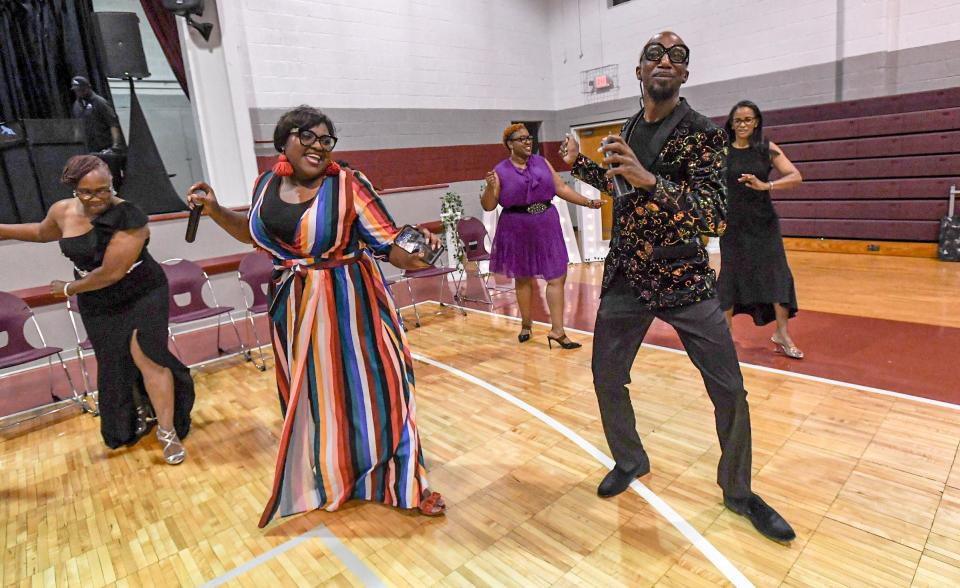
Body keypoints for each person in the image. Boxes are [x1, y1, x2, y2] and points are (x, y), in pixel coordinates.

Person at [560, 32, 795, 543]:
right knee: (606, 375)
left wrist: (649, 180)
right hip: (627, 276)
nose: (665, 61)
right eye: (654, 55)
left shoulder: (704, 135)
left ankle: (738, 492)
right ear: (639, 71)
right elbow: (620, 183)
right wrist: (580, 163)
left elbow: (713, 215)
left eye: (677, 57)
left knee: (729, 390)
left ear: (685, 74)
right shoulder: (626, 126)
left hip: (684, 278)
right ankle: (630, 459)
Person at [187, 105, 446, 527]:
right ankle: (332, 474)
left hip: (351, 303)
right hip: (293, 306)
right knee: (313, 394)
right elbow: (256, 237)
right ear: (284, 138)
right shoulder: (265, 183)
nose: (319, 146)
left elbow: (390, 244)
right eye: (308, 136)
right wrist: (216, 210)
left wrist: (421, 252)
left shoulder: (348, 184)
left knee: (375, 388)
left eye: (326, 140)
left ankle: (394, 479)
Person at [0, 155, 194, 463]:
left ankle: (168, 431)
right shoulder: (62, 211)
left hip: (140, 291)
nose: (96, 199)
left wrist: (68, 288)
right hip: (98, 299)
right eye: (86, 192)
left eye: (103, 190)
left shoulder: (129, 216)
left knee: (147, 356)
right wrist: (4, 230)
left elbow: (111, 273)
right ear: (73, 189)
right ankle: (132, 418)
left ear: (112, 184)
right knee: (113, 361)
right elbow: (41, 232)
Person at [481, 123, 602, 348]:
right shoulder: (500, 171)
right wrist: (490, 188)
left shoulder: (541, 162)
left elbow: (561, 189)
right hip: (516, 226)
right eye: (522, 139)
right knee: (523, 278)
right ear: (509, 144)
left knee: (556, 276)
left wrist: (588, 202)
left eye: (529, 138)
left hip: (546, 222)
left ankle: (558, 331)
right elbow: (489, 206)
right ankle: (526, 323)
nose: (528, 142)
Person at [719, 100, 804, 359]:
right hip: (732, 226)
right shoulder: (721, 152)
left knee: (777, 275)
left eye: (747, 119)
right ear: (731, 124)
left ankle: (782, 333)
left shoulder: (766, 149)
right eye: (738, 120)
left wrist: (766, 186)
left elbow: (795, 176)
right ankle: (725, 335)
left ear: (756, 122)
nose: (742, 124)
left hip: (764, 224)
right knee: (730, 278)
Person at [70, 76, 125, 184]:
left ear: (87, 88)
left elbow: (113, 124)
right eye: (76, 90)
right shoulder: (77, 105)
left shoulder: (100, 102)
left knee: (110, 180)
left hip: (105, 149)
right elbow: (77, 126)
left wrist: (115, 146)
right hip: (90, 150)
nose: (78, 93)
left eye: (81, 89)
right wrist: (77, 144)